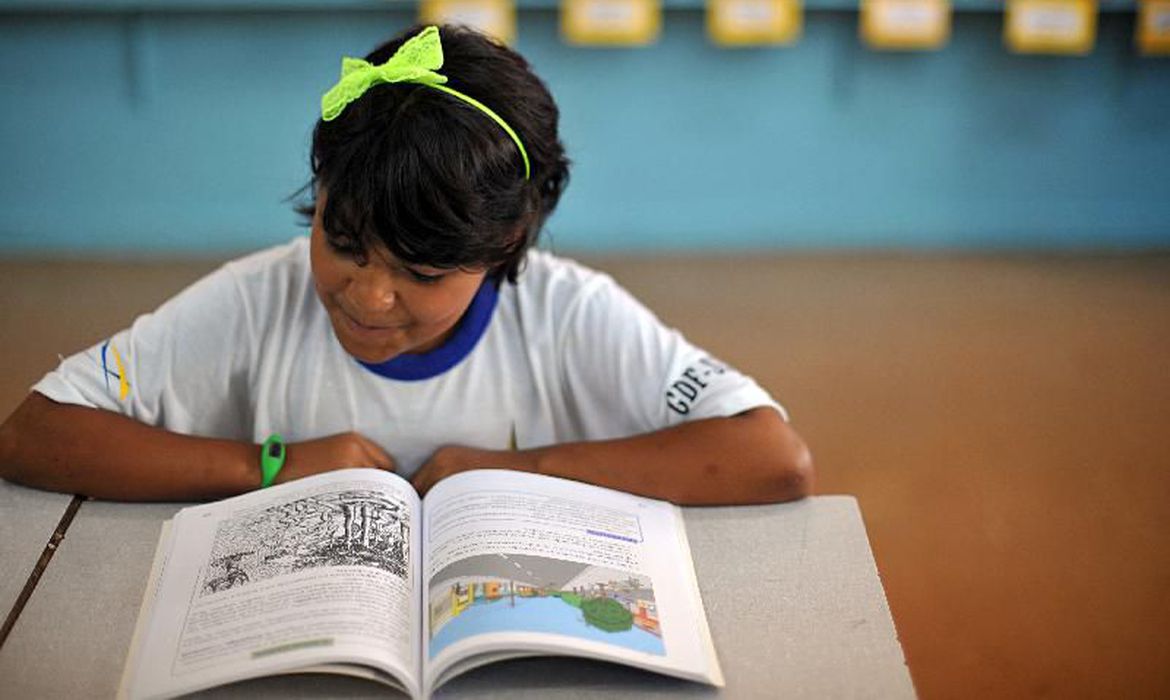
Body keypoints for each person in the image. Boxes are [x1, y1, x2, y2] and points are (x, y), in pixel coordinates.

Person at [0, 24, 812, 504]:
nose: (369, 297)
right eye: (344, 243)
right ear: (319, 196)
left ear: (503, 250)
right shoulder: (260, 301)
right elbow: (33, 434)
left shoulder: (566, 315)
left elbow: (773, 458)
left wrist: (515, 470)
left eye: (423, 275)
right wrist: (266, 465)